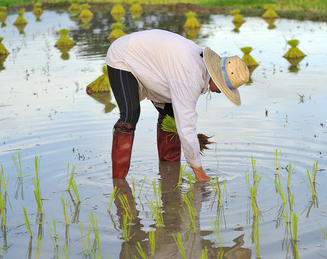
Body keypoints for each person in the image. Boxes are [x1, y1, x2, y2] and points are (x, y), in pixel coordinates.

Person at [105, 29, 249, 181]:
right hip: (124, 56)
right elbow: (186, 126)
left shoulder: (196, 69)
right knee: (130, 114)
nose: (221, 92)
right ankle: (119, 183)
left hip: (153, 64)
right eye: (223, 88)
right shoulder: (190, 77)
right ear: (216, 76)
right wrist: (199, 172)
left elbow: (181, 117)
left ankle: (169, 174)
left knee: (171, 117)